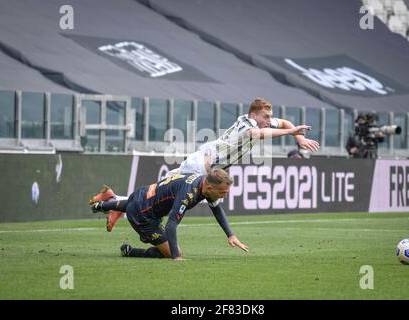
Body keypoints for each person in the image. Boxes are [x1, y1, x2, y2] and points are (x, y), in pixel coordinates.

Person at [90, 97, 320, 231]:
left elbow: (284, 122)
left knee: (156, 193)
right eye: (266, 118)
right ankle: (115, 203)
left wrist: (298, 137)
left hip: (205, 163)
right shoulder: (246, 124)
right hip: (200, 166)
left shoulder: (261, 120)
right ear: (253, 114)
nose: (269, 121)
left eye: (270, 118)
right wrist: (291, 131)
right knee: (163, 200)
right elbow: (258, 133)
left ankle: (114, 200)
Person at [90, 168, 248, 260]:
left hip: (142, 194)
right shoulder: (188, 194)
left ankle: (101, 205)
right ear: (210, 188)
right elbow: (171, 224)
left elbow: (216, 209)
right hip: (143, 217)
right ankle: (130, 251)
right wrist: (176, 257)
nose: (224, 196)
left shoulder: (202, 182)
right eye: (222, 192)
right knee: (174, 251)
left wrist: (230, 235)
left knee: (131, 205)